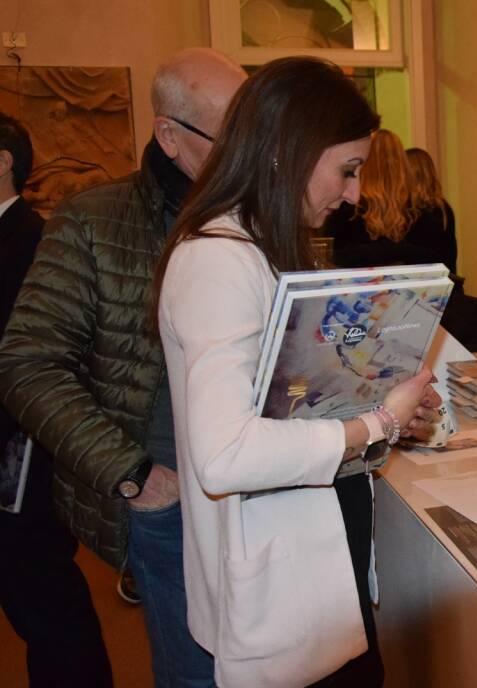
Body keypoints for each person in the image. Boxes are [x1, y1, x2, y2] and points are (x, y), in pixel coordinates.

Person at [151, 56, 441, 688]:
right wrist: (375, 421)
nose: (355, 193)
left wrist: (387, 413)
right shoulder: (219, 263)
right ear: (287, 152)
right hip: (281, 590)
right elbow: (225, 454)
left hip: (320, 563)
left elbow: (295, 407)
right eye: (348, 170)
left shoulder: (262, 249)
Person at [0, 48, 247, 687]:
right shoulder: (91, 219)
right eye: (232, 135)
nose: (251, 152)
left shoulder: (260, 218)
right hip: (168, 503)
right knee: (195, 675)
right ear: (169, 135)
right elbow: (28, 364)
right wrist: (133, 474)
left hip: (259, 492)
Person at [0, 113, 114, 687]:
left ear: (3, 161)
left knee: (45, 602)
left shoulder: (31, 237)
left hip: (24, 452)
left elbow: (40, 356)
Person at [325, 129, 457, 273]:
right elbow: (444, 263)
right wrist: (397, 250)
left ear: (364, 165)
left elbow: (332, 257)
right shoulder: (429, 208)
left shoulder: (349, 206)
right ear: (403, 163)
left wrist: (384, 250)